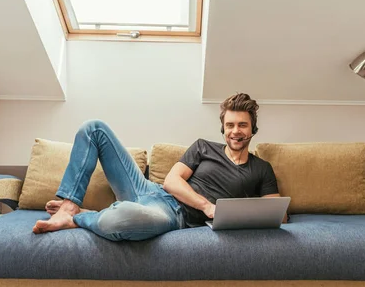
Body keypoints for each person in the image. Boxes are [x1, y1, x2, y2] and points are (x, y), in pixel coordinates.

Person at [32, 93, 287, 241]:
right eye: (230, 125)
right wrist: (208, 206)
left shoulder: (261, 168)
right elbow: (172, 182)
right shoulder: (203, 147)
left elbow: (278, 215)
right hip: (148, 189)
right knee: (94, 128)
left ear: (253, 129)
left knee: (117, 221)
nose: (235, 131)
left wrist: (242, 212)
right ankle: (68, 207)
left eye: (242, 125)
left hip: (172, 216)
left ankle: (81, 217)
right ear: (223, 129)